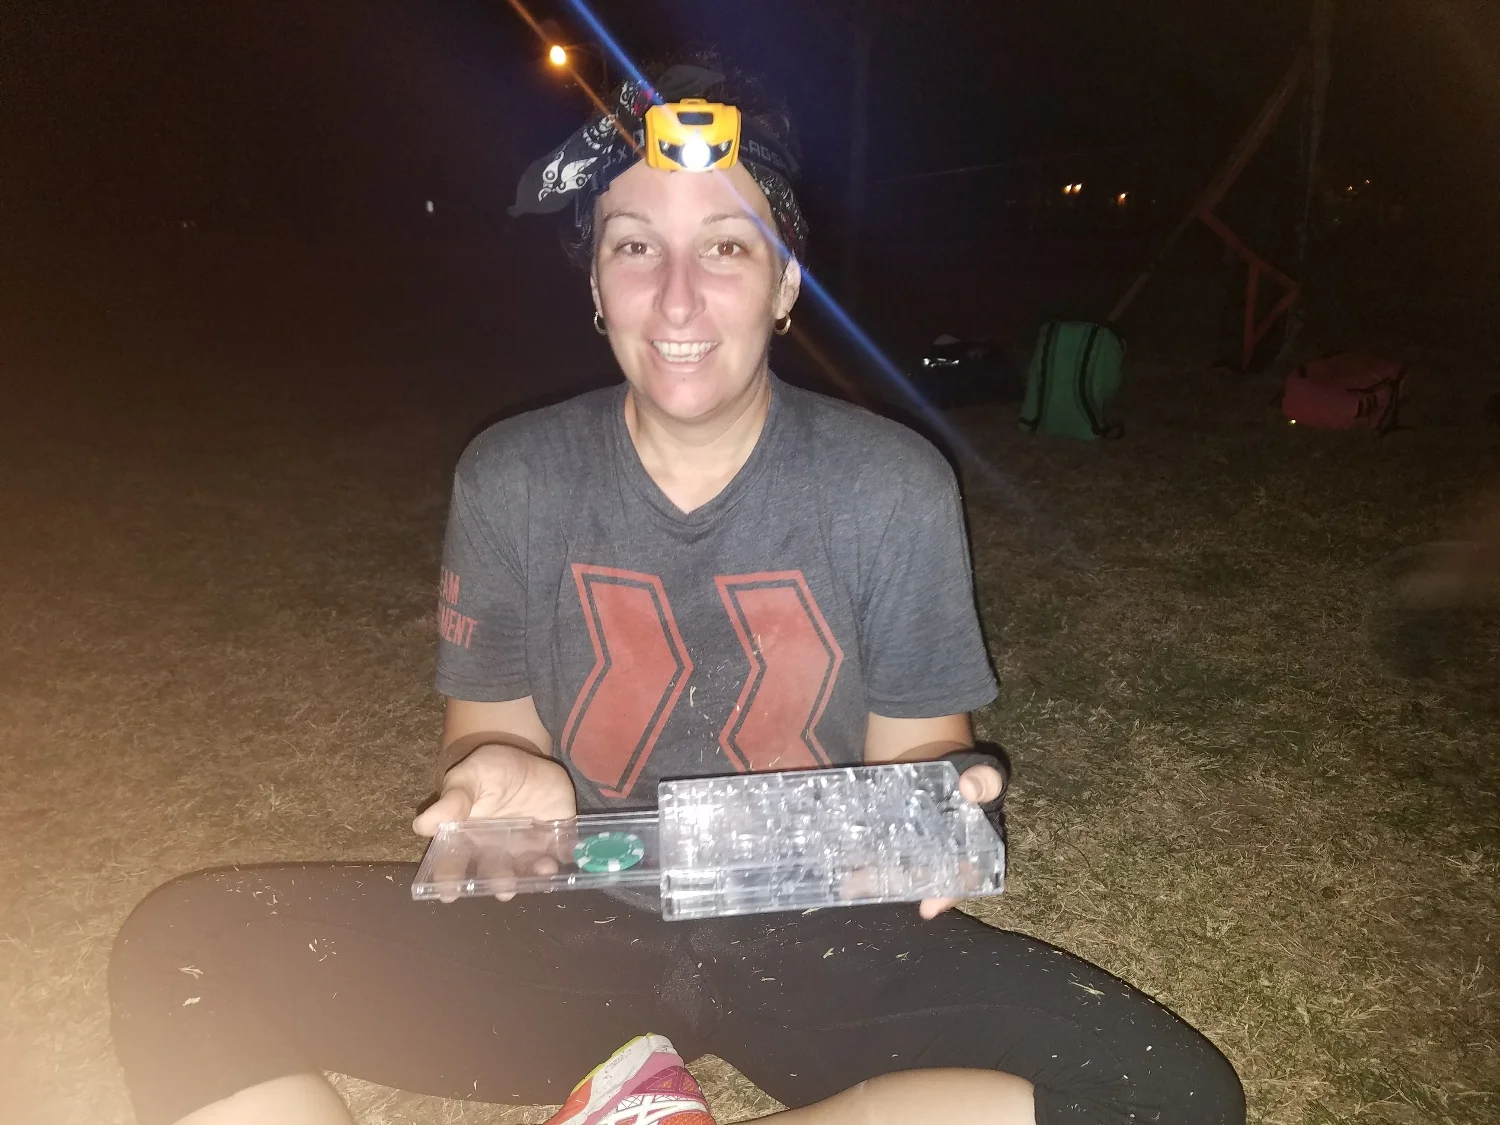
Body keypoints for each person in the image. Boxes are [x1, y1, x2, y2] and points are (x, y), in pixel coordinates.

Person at [109, 60, 1246, 1125]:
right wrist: (503, 771)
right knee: (182, 946)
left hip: (818, 940)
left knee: (1171, 1095)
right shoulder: (512, 476)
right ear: (595, 285)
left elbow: (920, 750)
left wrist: (936, 810)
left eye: (728, 247)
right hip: (572, 930)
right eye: (636, 247)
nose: (679, 298)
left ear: (786, 283)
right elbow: (490, 732)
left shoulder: (890, 485)